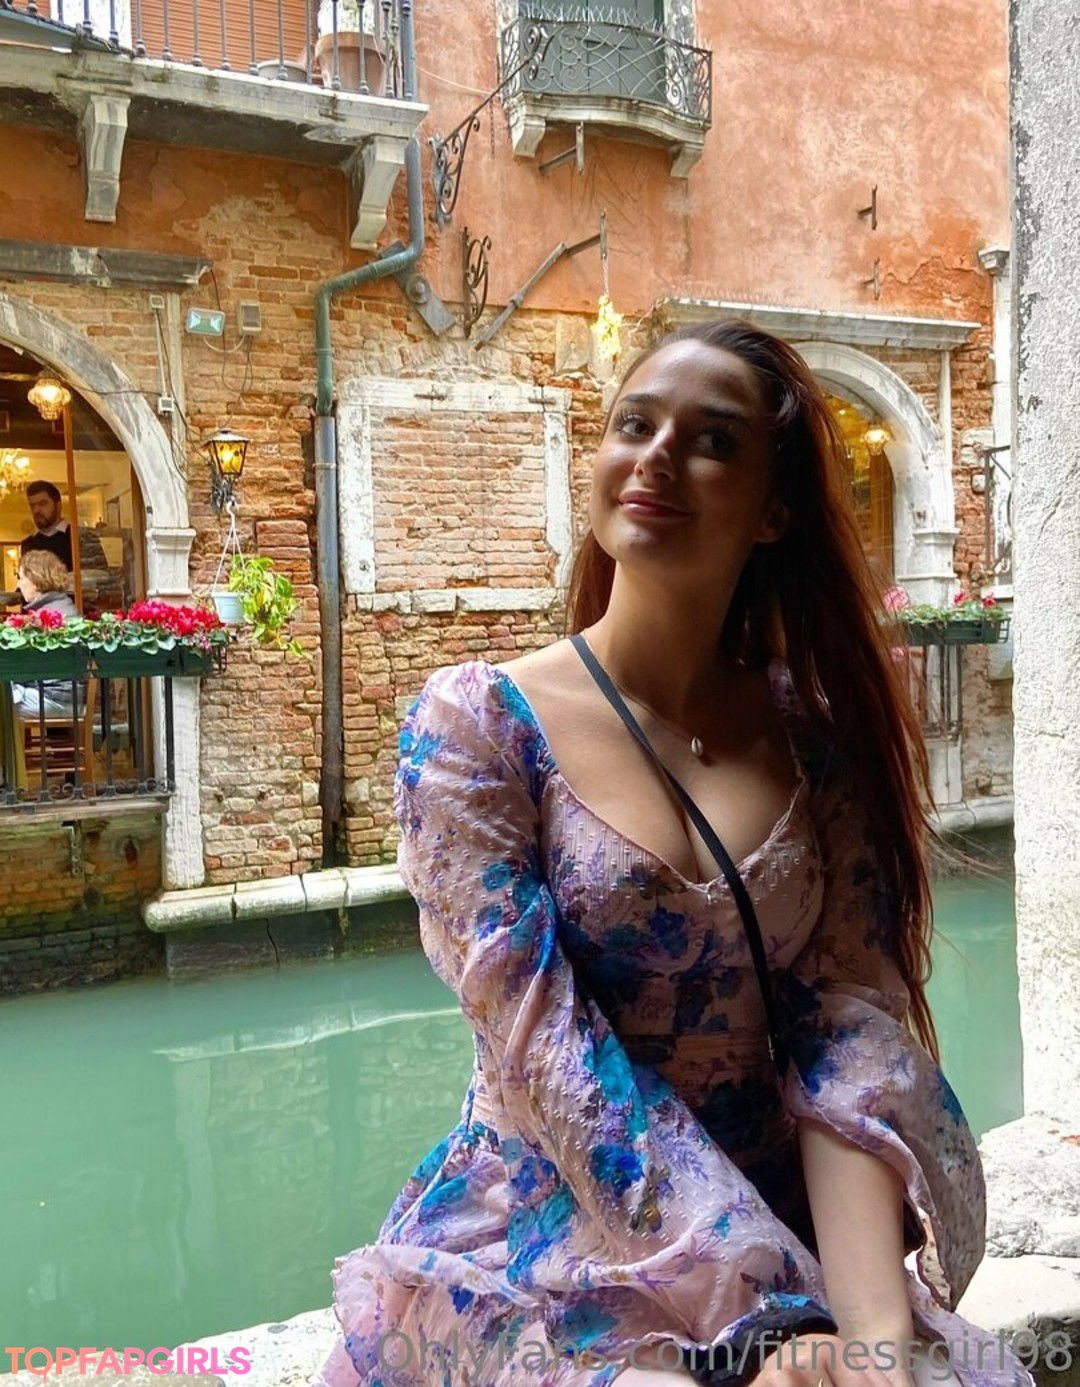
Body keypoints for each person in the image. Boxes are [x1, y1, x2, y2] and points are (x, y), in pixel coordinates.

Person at [319, 321, 1029, 1387]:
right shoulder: (475, 727)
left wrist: (872, 1335)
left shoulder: (813, 737)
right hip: (553, 1230)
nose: (656, 456)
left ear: (774, 510)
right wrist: (770, 1321)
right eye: (634, 425)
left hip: (787, 1219)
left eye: (713, 440)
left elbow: (849, 1032)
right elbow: (549, 1054)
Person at [9, 549, 81, 719]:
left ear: (35, 581)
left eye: (21, 578)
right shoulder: (62, 605)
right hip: (63, 696)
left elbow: (26, 668)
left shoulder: (48, 614)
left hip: (55, 699)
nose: (19, 585)